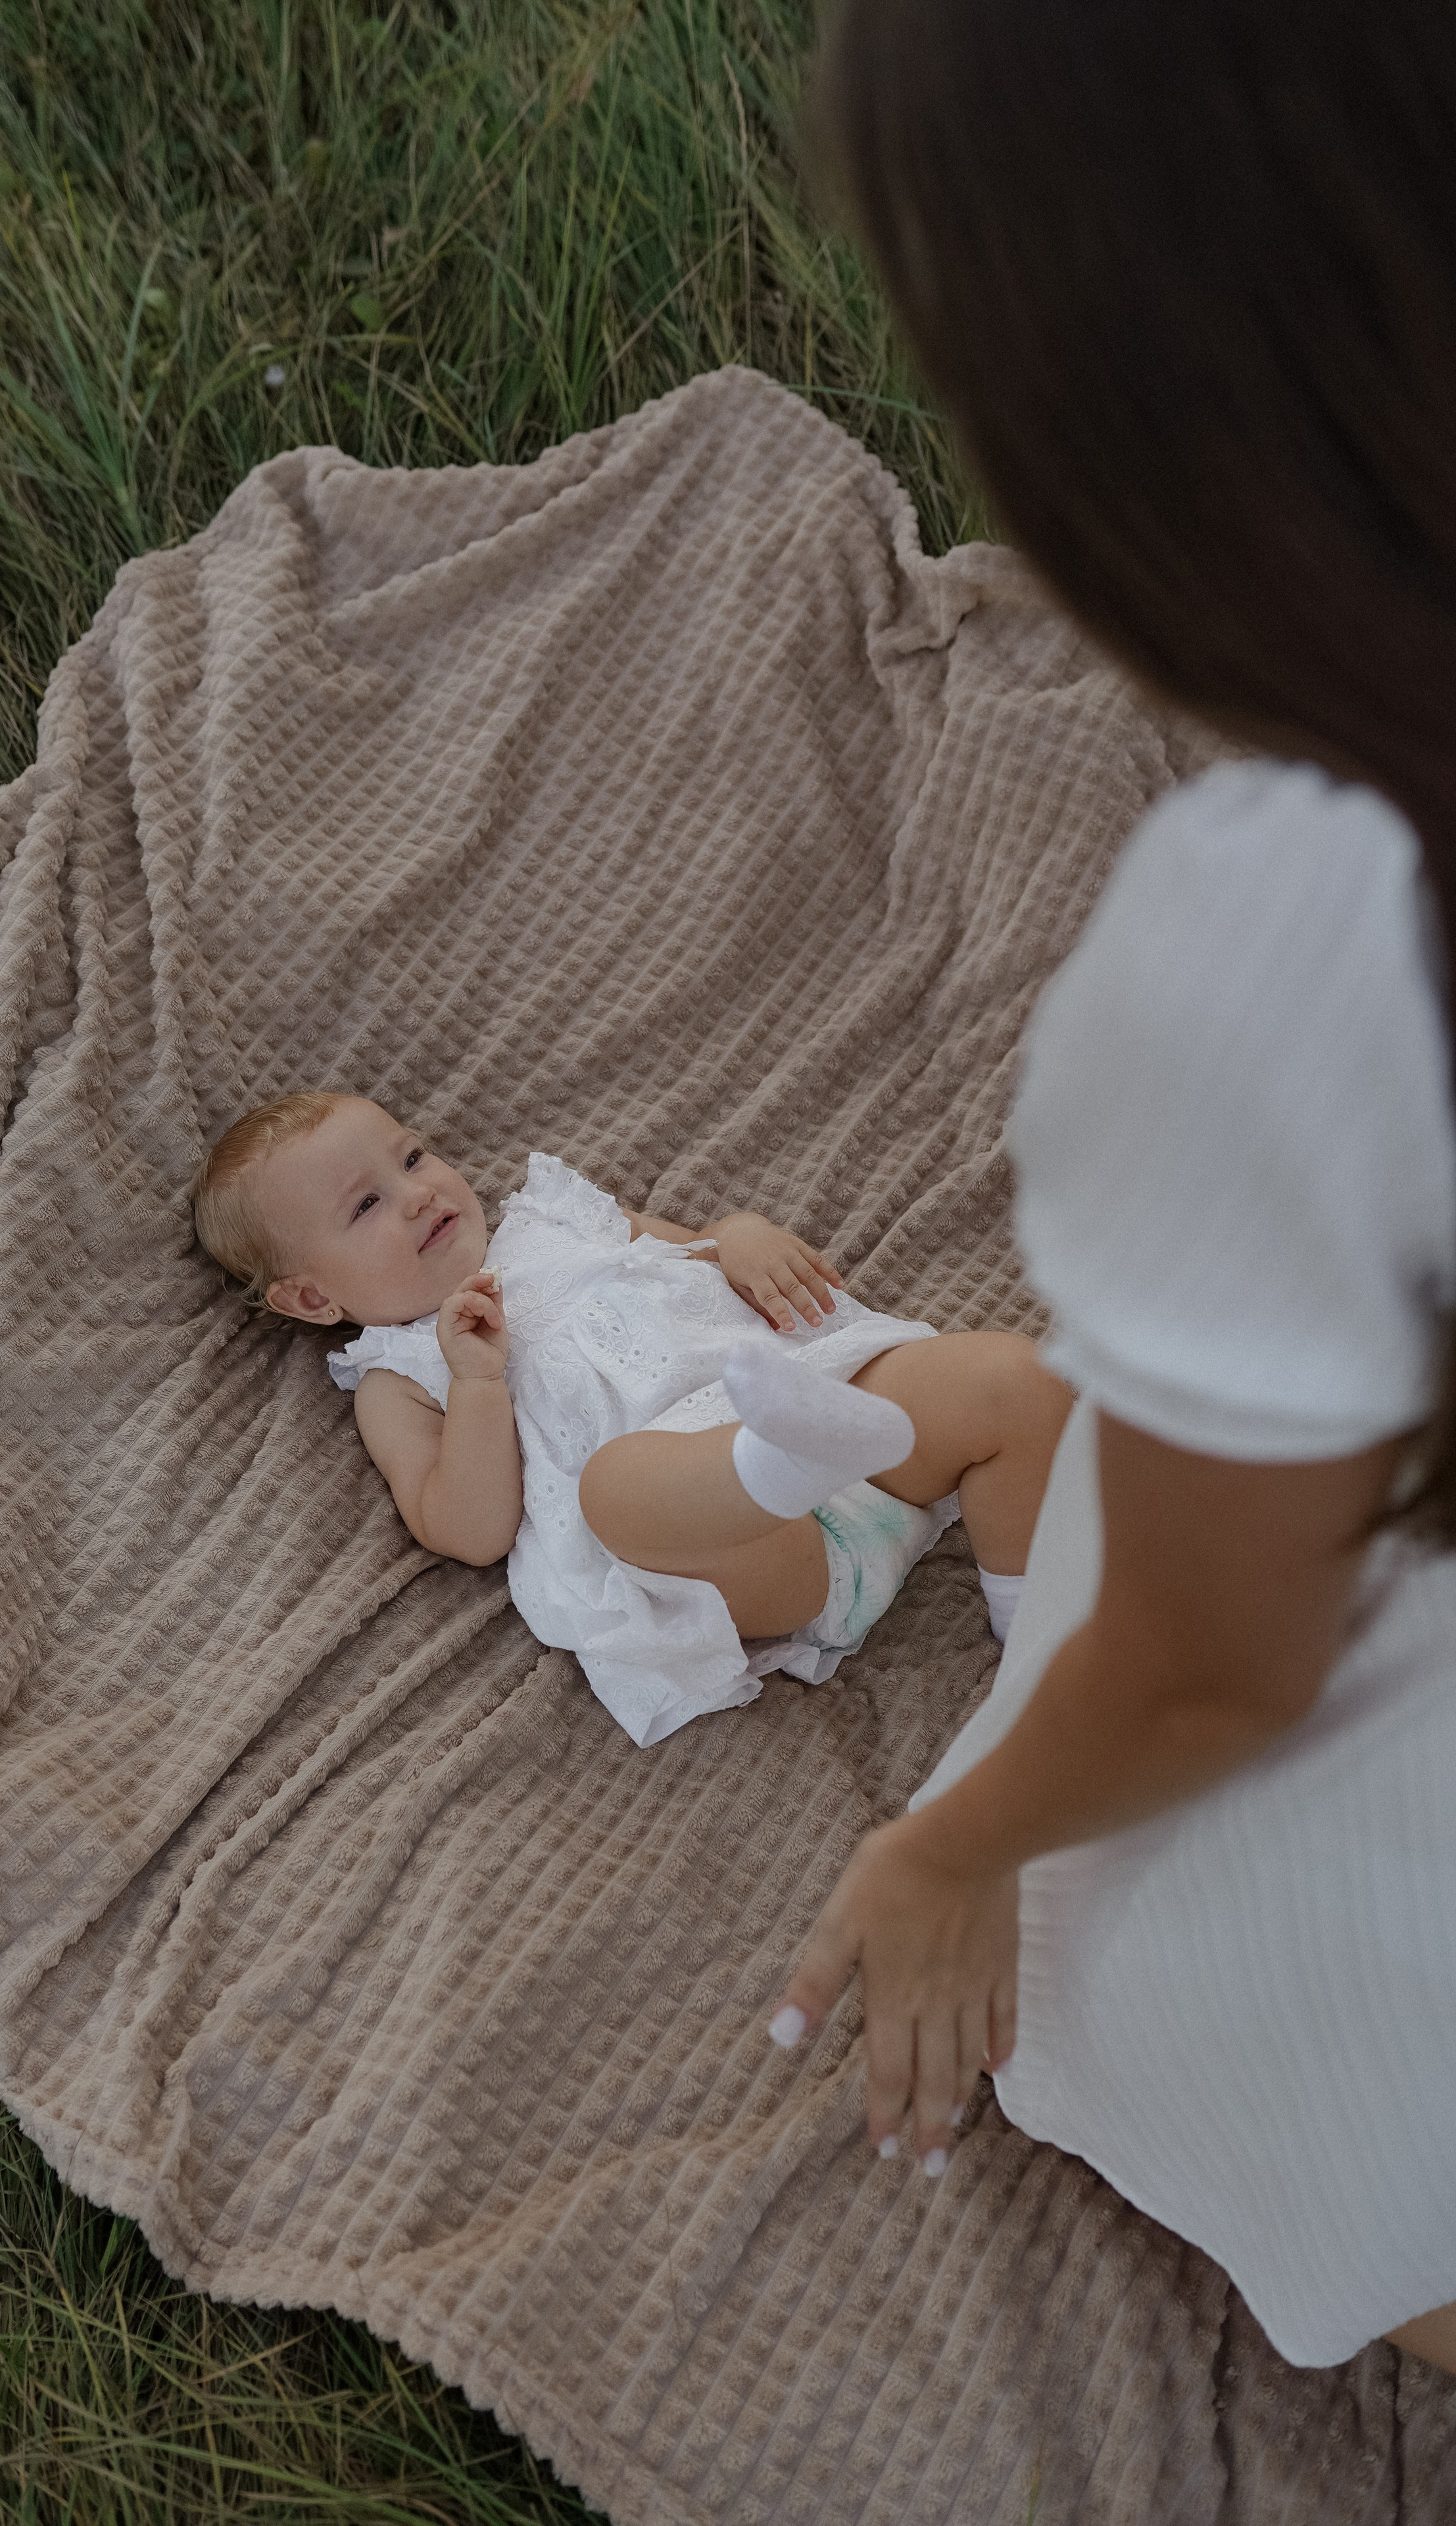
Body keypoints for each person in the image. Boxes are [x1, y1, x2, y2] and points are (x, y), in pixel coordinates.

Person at [766, 0, 1456, 2375]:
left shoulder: (1293, 953)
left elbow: (1212, 1658)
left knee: (1270, 2030)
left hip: (1366, 1769)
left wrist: (949, 1848)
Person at [190, 1091, 1068, 1748]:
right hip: (758, 1553)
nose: (416, 1194)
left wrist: (739, 1236)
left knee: (1010, 1375)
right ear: (311, 1296)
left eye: (411, 1159)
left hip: (845, 1423)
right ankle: (772, 1464)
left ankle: (1038, 1625)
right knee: (618, 1490)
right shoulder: (399, 1374)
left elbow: (693, 1250)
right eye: (366, 1206)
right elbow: (469, 1529)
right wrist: (479, 1385)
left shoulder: (555, 1218)